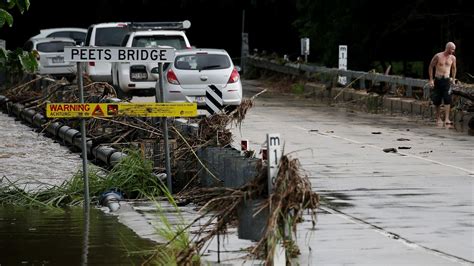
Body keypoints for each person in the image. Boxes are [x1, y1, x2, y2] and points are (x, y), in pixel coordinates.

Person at [428, 42, 457, 127]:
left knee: (447, 99)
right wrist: (431, 80)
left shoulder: (453, 58)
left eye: (454, 49)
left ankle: (447, 118)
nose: (453, 51)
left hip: (447, 80)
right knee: (437, 99)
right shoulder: (438, 56)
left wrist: (453, 79)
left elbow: (454, 68)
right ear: (448, 48)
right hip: (438, 79)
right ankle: (438, 118)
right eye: (452, 49)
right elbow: (431, 66)